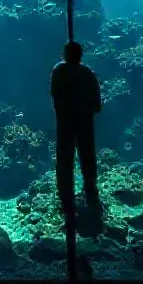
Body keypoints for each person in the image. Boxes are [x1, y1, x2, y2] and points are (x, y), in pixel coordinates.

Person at [50, 40, 103, 231]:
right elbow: (97, 105)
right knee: (87, 157)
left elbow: (54, 97)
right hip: (85, 122)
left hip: (64, 123)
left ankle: (66, 200)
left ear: (65, 54)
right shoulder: (87, 73)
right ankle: (91, 192)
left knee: (64, 160)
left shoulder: (58, 71)